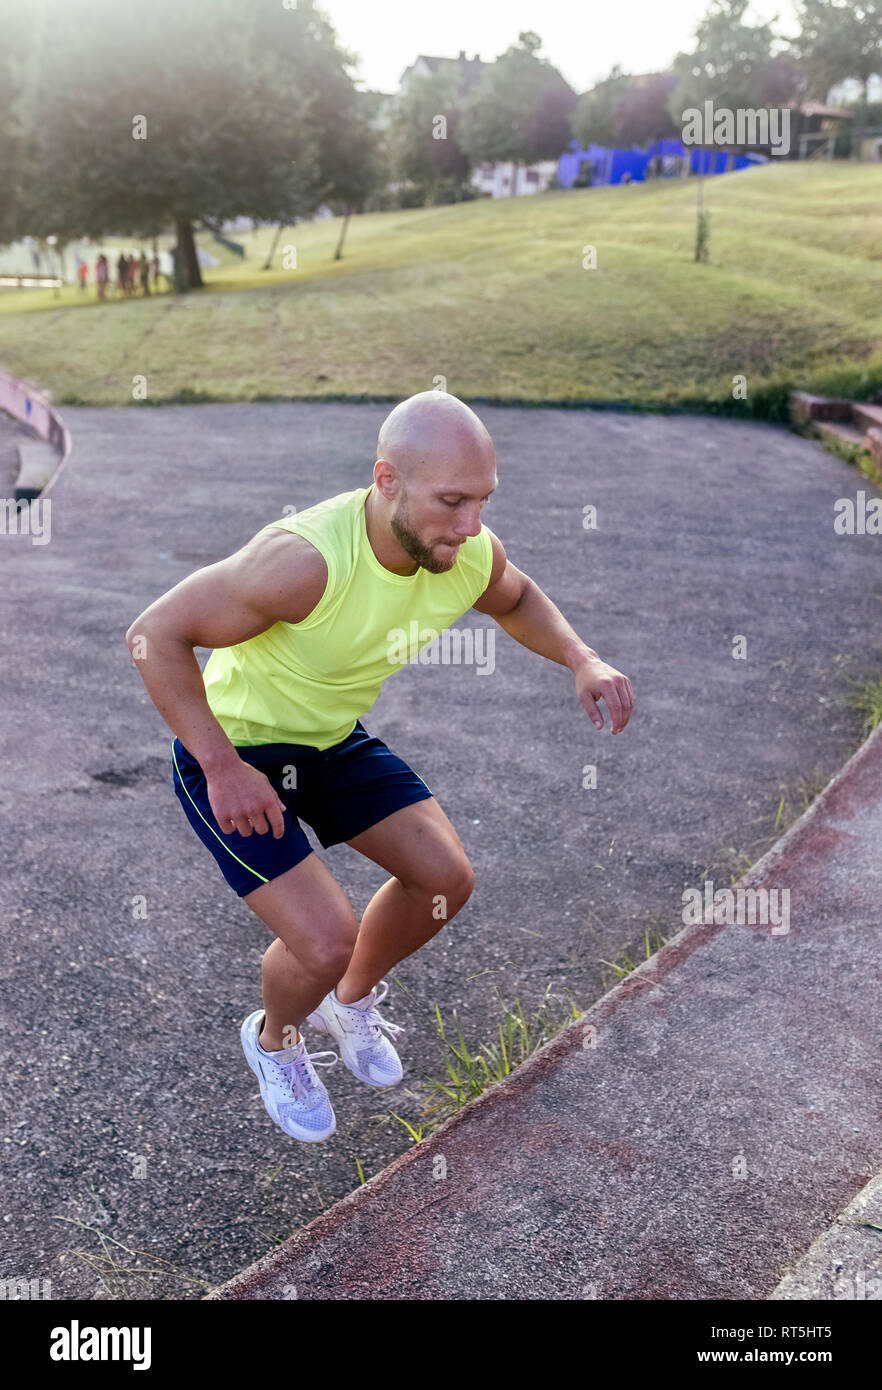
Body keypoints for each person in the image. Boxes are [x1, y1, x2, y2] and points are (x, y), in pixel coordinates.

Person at [124, 391, 635, 1144]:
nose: (470, 526)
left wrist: (580, 657)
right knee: (324, 943)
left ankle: (350, 1003)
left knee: (445, 879)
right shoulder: (303, 563)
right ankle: (276, 1040)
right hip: (233, 751)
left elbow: (518, 595)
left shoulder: (463, 554)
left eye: (484, 501)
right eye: (452, 501)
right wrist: (222, 765)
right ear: (387, 480)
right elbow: (154, 634)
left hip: (329, 739)